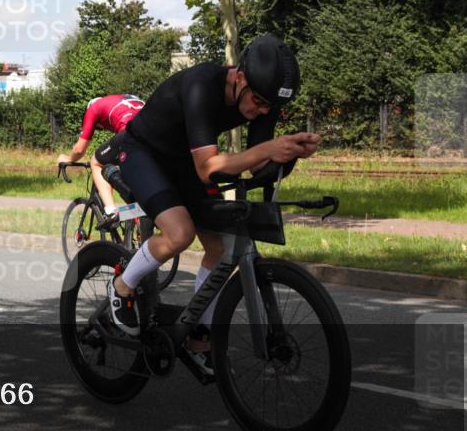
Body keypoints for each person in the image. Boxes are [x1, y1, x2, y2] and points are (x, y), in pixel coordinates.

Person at [98, 35, 319, 373]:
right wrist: (267, 150)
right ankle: (122, 286)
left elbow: (258, 164)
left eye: (268, 108)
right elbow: (208, 168)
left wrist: (289, 153)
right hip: (143, 152)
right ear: (240, 77)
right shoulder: (202, 84)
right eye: (258, 101)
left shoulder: (263, 100)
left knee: (219, 249)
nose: (260, 111)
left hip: (183, 161)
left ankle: (196, 333)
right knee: (180, 233)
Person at [57, 94, 144, 221]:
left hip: (130, 133)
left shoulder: (94, 107)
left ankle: (111, 211)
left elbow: (80, 149)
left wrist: (69, 159)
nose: (102, 128)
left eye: (99, 127)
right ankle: (137, 214)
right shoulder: (122, 99)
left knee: (96, 162)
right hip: (154, 135)